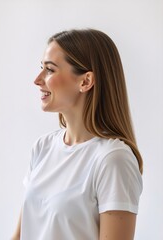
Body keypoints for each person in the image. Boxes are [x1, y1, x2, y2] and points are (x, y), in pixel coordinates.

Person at [11, 29, 143, 240]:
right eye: (41, 69)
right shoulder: (43, 148)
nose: (37, 80)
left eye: (50, 70)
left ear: (86, 81)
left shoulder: (113, 159)